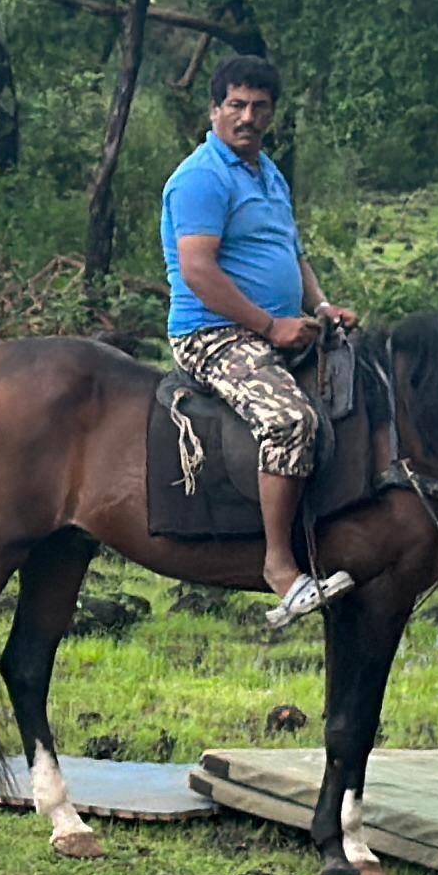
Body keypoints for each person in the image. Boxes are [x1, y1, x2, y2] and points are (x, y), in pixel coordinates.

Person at [162, 55, 358, 628]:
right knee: (288, 420)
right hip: (213, 332)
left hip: (275, 326)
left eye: (260, 107)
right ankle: (280, 569)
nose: (248, 117)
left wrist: (319, 306)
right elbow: (198, 269)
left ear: (273, 112)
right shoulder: (202, 177)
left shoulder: (267, 173)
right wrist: (270, 327)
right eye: (236, 105)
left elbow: (290, 255)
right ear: (215, 109)